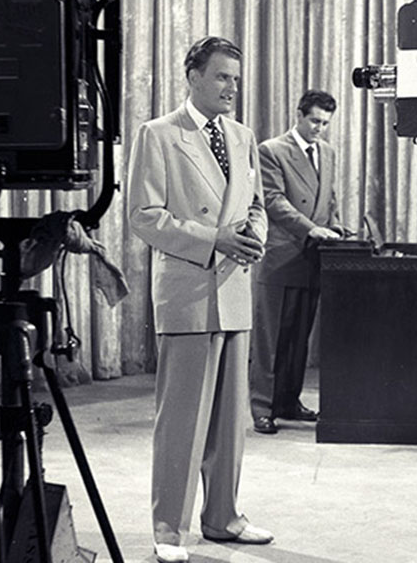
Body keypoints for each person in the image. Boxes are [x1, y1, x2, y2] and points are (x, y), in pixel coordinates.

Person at [127, 36, 273, 563]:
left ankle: (224, 518)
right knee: (182, 420)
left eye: (236, 78)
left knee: (232, 421)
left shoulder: (242, 136)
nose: (231, 87)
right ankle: (169, 528)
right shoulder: (159, 135)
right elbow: (144, 216)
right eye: (221, 77)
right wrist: (214, 239)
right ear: (192, 75)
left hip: (234, 288)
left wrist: (254, 233)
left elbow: (255, 203)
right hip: (188, 292)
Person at [250, 90, 343, 434]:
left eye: (325, 123)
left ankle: (289, 401)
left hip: (314, 257)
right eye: (315, 121)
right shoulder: (271, 151)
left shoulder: (328, 153)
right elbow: (273, 201)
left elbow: (329, 198)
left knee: (298, 339)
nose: (320, 128)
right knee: (271, 340)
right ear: (299, 115)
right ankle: (262, 407)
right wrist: (312, 229)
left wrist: (335, 227)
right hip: (281, 256)